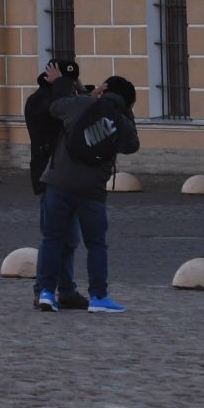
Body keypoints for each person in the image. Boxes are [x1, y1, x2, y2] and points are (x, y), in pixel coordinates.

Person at [36, 75, 140, 314]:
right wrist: (127, 112)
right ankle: (98, 297)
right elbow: (132, 145)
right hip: (91, 191)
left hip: (58, 183)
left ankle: (46, 293)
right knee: (96, 244)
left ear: (104, 90)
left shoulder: (82, 104)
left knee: (51, 239)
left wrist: (87, 96)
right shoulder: (121, 121)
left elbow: (55, 107)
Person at [24, 59, 88, 310]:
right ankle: (43, 290)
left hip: (70, 177)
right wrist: (62, 88)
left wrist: (83, 92)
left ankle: (66, 290)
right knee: (53, 237)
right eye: (67, 82)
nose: (72, 88)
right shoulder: (39, 101)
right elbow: (54, 111)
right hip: (49, 178)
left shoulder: (66, 99)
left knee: (70, 239)